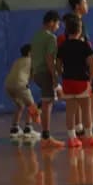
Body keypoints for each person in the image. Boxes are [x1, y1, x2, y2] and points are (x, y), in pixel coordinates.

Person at [58, 14, 93, 149]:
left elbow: (57, 64)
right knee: (86, 110)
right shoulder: (84, 45)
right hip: (82, 82)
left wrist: (63, 75)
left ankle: (72, 139)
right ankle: (89, 137)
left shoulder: (63, 46)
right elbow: (92, 64)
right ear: (79, 30)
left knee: (70, 111)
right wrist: (90, 77)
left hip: (67, 82)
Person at [67, 0, 93, 140]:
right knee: (91, 94)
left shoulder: (73, 21)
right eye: (85, 3)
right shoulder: (77, 23)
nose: (87, 6)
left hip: (75, 67)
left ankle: (80, 127)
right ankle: (89, 128)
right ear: (77, 6)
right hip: (82, 67)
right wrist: (90, 64)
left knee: (78, 98)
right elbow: (82, 45)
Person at [29, 11, 63, 148]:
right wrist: (54, 76)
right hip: (45, 73)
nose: (58, 26)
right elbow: (50, 59)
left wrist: (32, 73)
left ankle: (36, 110)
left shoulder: (36, 36)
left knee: (49, 100)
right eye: (58, 23)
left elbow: (32, 56)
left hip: (37, 73)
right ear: (51, 22)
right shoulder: (51, 38)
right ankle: (46, 137)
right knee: (48, 104)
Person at [5, 44, 38, 142]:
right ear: (29, 53)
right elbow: (33, 75)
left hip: (8, 85)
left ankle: (14, 129)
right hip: (20, 85)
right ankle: (28, 129)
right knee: (31, 107)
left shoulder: (17, 61)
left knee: (20, 106)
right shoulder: (32, 61)